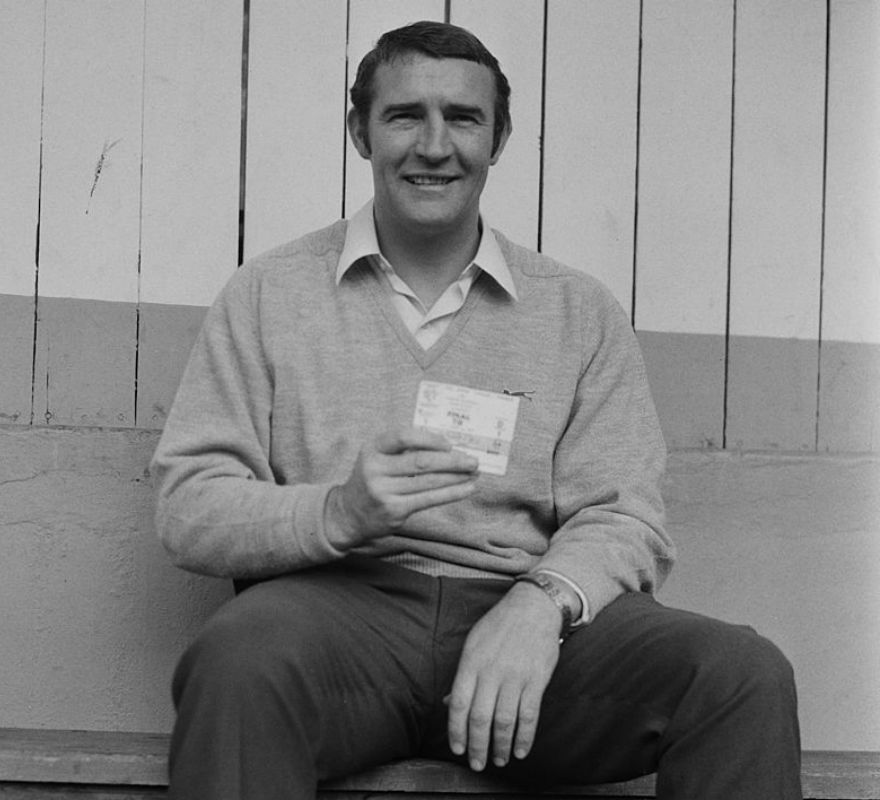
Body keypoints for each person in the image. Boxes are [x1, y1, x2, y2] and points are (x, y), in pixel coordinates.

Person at [150, 20, 802, 800]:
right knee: (236, 661)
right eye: (404, 116)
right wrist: (337, 511)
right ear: (359, 131)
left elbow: (626, 516)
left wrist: (543, 605)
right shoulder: (268, 295)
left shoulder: (577, 311)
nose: (434, 145)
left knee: (740, 675)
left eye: (463, 118)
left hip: (530, 643)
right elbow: (189, 506)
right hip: (335, 623)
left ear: (498, 139)